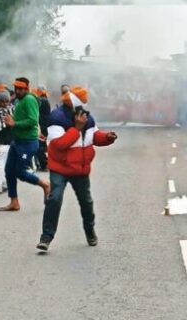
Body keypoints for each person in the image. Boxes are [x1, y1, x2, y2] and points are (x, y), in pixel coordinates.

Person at [37, 86, 117, 251]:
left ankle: (90, 231)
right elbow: (59, 145)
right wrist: (77, 128)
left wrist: (107, 137)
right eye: (81, 105)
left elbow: (93, 136)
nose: (84, 109)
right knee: (55, 198)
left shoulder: (88, 118)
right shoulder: (56, 118)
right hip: (60, 167)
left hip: (80, 169)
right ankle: (46, 237)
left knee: (86, 202)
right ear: (72, 105)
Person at [0, 77, 51, 212]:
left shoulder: (29, 100)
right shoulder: (19, 100)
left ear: (27, 88)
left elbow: (33, 120)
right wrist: (11, 121)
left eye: (21, 88)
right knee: (9, 171)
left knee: (20, 173)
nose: (18, 91)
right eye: (16, 88)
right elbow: (22, 118)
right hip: (17, 141)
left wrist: (14, 123)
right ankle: (14, 202)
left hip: (28, 142)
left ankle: (45, 185)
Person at [35, 85, 51, 172]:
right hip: (45, 125)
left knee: (40, 146)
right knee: (43, 145)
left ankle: (44, 164)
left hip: (42, 126)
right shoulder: (45, 99)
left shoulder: (42, 100)